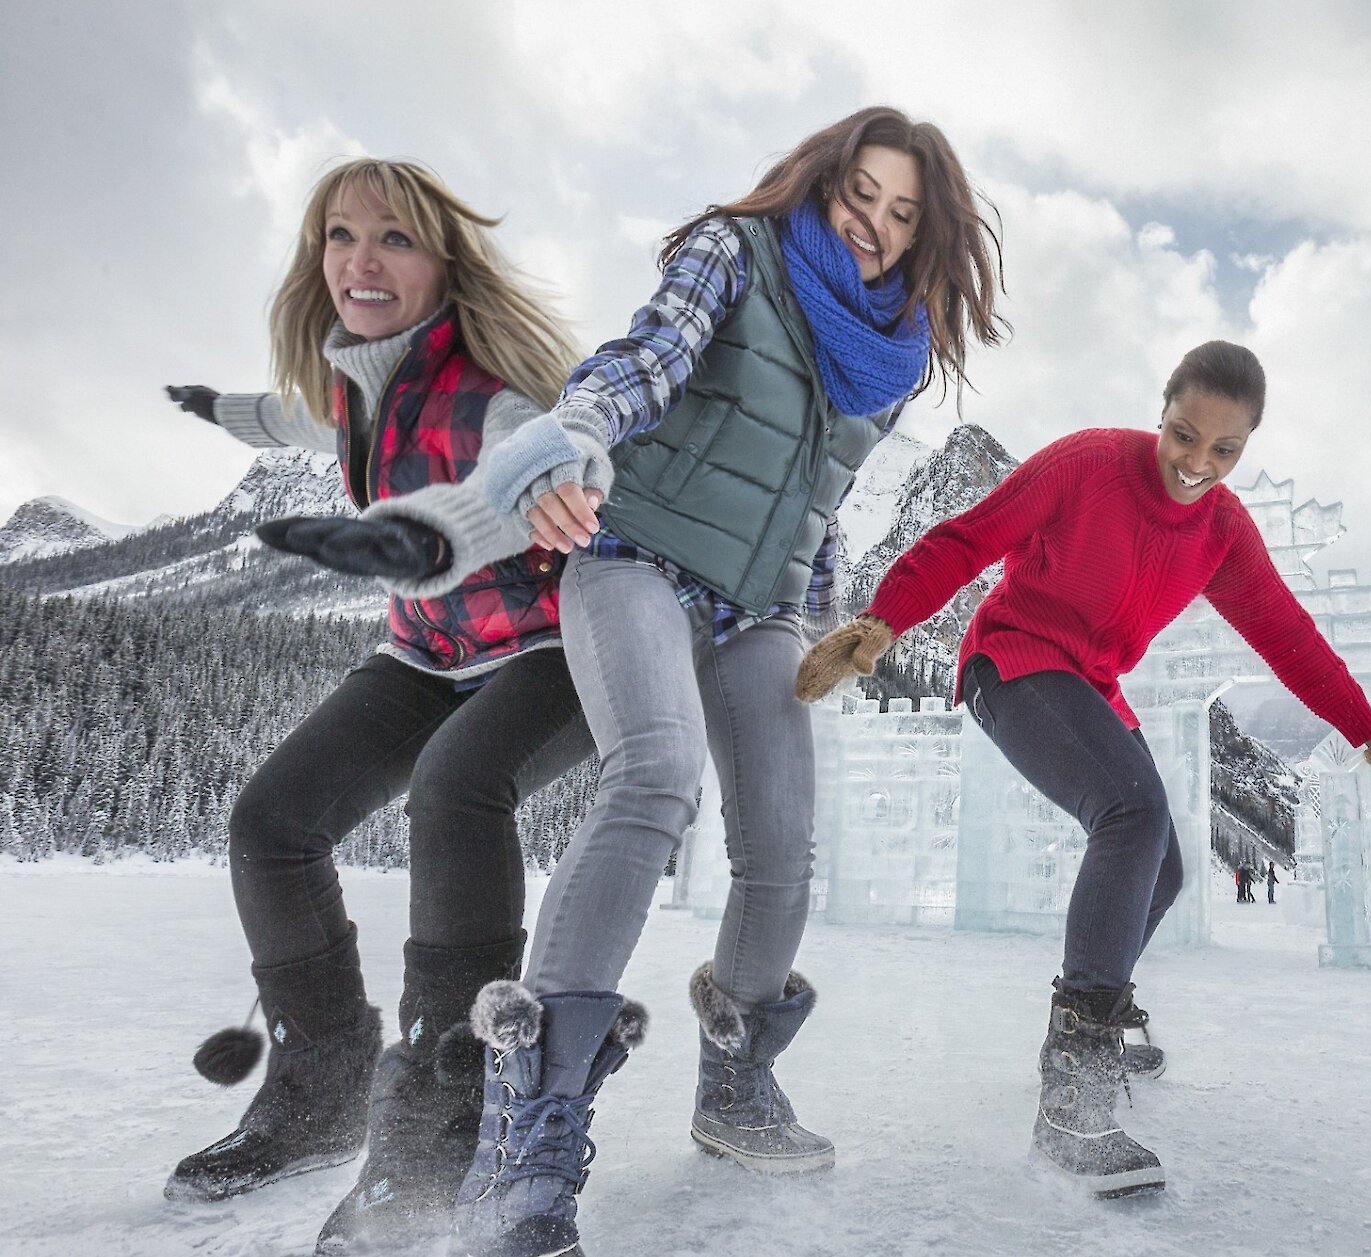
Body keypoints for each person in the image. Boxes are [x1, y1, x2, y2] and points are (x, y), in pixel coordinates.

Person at [272, 107, 1005, 1257]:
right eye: (862, 194)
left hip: (759, 606)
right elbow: (640, 365)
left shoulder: (892, 356)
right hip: (633, 559)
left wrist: (824, 614)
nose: (875, 225)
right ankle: (523, 1136)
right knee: (655, 773)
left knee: (781, 842)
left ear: (928, 237)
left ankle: (735, 1076)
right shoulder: (736, 250)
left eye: (904, 214)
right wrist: (569, 442)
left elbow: (813, 492)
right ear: (821, 182)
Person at [795, 340, 1371, 1197]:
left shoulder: (1223, 533)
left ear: (1245, 449)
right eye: (1185, 435)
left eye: (1224, 450)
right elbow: (967, 539)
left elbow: (1293, 642)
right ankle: (1074, 1078)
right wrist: (882, 623)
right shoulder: (1088, 465)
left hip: (1091, 685)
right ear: (1163, 411)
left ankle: (1096, 1012)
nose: (1197, 464)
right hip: (1013, 659)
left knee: (1168, 866)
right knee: (1132, 812)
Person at [160, 158, 594, 1257]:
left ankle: (446, 1127)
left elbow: (512, 483)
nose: (361, 259)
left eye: (393, 239)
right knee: (272, 823)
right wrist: (222, 410)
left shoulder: (499, 391)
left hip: (556, 648)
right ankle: (320, 1089)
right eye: (340, 236)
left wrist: (435, 534)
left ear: (444, 263)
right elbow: (305, 419)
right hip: (430, 652)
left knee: (458, 787)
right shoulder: (358, 385)